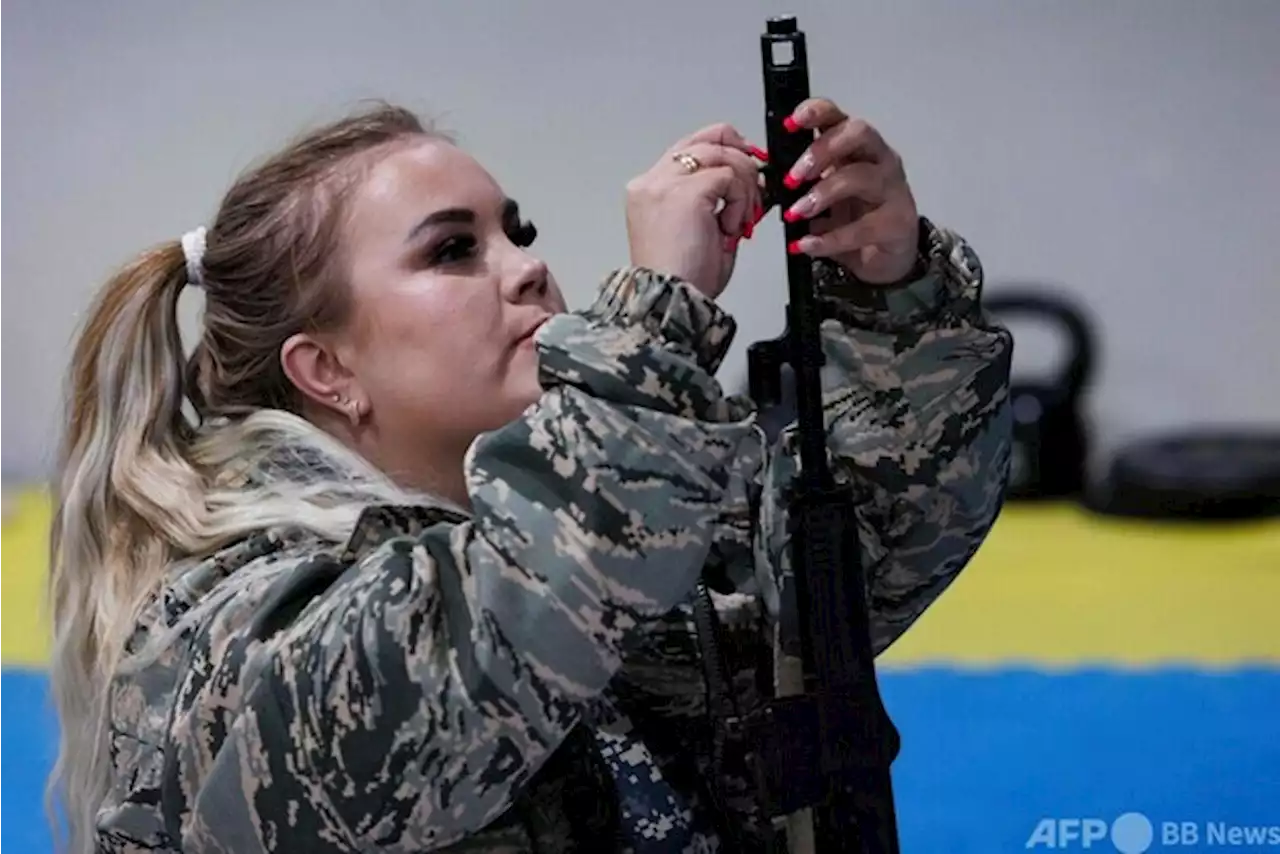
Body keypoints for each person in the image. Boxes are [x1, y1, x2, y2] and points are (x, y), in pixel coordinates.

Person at [47, 97, 1012, 854]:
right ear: (325, 371)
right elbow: (477, 642)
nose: (529, 269)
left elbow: (845, 570)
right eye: (454, 250)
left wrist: (893, 295)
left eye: (518, 230)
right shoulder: (227, 626)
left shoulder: (606, 517)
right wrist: (654, 317)